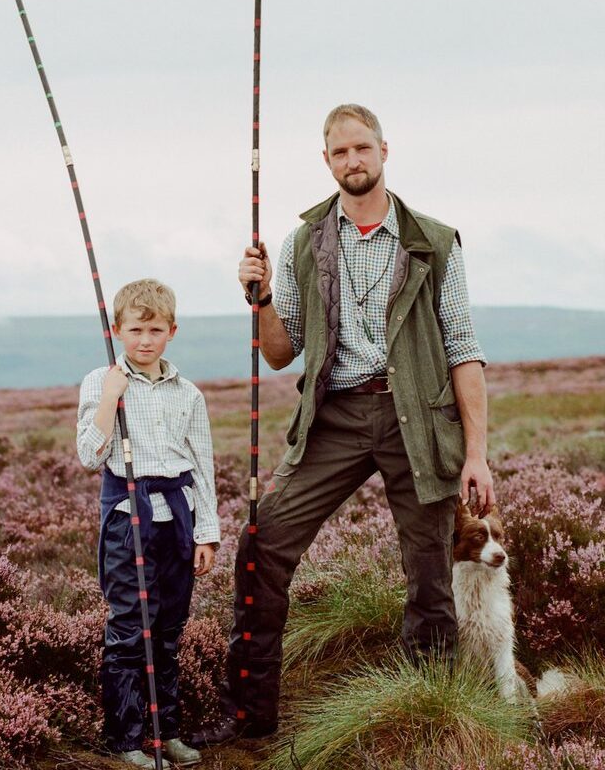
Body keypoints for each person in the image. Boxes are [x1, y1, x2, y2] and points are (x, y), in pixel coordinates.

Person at [192, 103, 494, 745]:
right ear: (326, 161)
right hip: (334, 415)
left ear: (385, 150)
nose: (352, 161)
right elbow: (281, 350)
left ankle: (428, 717)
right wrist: (262, 296)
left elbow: (464, 347)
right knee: (263, 542)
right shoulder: (307, 242)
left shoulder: (435, 241)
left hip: (418, 419)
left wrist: (477, 454)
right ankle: (250, 717)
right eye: (339, 153)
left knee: (431, 573)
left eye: (362, 148)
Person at [77, 278, 219, 768]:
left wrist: (207, 533)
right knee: (128, 630)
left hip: (176, 523)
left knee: (168, 630)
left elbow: (202, 465)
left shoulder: (189, 394)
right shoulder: (101, 381)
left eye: (155, 329)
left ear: (171, 331)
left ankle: (169, 732)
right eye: (135, 329)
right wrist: (108, 401)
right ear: (118, 330)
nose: (144, 339)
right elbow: (86, 457)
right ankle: (127, 739)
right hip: (126, 522)